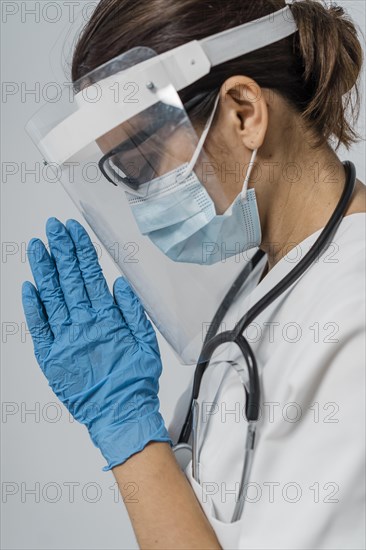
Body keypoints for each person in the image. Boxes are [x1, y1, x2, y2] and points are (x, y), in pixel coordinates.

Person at [22, 1, 365, 548]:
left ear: (244, 113)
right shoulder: (263, 284)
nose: (141, 199)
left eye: (144, 163)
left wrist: (129, 436)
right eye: (122, 176)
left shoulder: (354, 313)